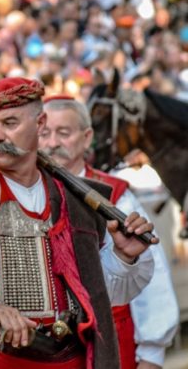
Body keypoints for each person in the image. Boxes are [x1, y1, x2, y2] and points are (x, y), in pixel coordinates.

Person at [0, 75, 156, 369]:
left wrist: (123, 257)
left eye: (10, 123)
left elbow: (101, 294)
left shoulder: (72, 197)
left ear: (39, 124)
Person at [39, 95, 179, 369]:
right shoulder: (23, 190)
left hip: (109, 338)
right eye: (44, 133)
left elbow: (153, 277)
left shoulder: (116, 194)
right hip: (45, 349)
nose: (52, 142)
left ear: (87, 136)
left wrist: (152, 354)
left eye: (63, 133)